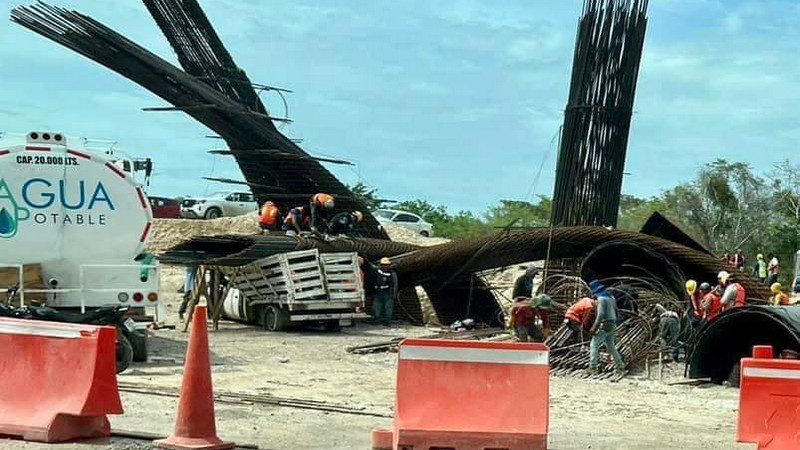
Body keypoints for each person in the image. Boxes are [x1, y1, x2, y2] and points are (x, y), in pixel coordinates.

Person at [587, 280, 625, 375]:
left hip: (606, 324)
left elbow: (601, 315)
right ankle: (620, 366)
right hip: (613, 323)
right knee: (611, 346)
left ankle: (593, 367)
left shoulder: (601, 299)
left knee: (594, 344)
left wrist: (594, 327)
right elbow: (617, 312)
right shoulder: (611, 297)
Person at [372, 257, 397, 326]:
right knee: (377, 306)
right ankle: (377, 319)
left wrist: (393, 294)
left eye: (387, 265)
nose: (385, 266)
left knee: (388, 307)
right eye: (384, 265)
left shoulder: (392, 274)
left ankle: (387, 321)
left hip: (388, 292)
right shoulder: (377, 272)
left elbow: (395, 284)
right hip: (378, 292)